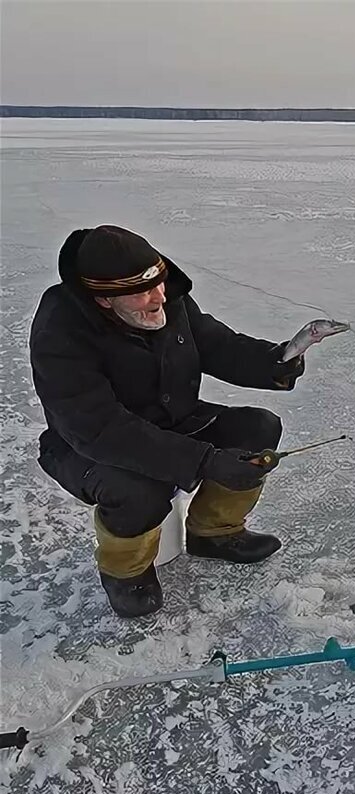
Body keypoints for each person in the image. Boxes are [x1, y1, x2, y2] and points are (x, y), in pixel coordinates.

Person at [29, 225, 307, 618]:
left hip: (173, 420)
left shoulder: (166, 299)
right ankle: (126, 572)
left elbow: (215, 344)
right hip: (85, 446)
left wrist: (275, 362)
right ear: (105, 301)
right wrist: (204, 460)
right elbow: (100, 428)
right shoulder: (60, 331)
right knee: (139, 491)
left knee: (258, 429)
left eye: (159, 282)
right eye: (144, 292)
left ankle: (215, 532)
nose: (160, 296)